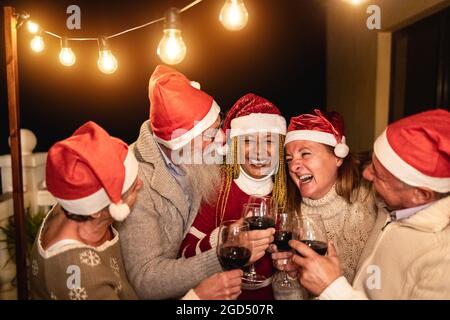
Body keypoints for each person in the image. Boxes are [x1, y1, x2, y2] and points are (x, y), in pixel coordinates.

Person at [30, 121, 243, 300]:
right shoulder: (81, 278)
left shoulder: (72, 208)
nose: (141, 184)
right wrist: (196, 297)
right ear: (97, 211)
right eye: (131, 188)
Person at [119, 65, 255, 299]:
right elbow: (146, 279)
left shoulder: (199, 158)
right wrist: (224, 253)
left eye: (219, 126)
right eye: (210, 135)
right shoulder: (136, 180)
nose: (221, 139)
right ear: (181, 142)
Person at [290, 109, 450, 299]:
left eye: (379, 175)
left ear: (420, 195)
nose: (366, 174)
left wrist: (332, 289)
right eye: (373, 164)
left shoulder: (441, 262)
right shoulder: (391, 207)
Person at [179, 93, 287, 299]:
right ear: (234, 146)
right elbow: (184, 256)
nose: (259, 151)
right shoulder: (217, 186)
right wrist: (225, 237)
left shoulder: (287, 189)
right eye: (247, 141)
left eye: (269, 141)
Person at [271, 109, 377, 296]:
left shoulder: (371, 203)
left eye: (305, 154)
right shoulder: (286, 211)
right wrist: (291, 276)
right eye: (289, 159)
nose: (294, 166)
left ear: (338, 156)